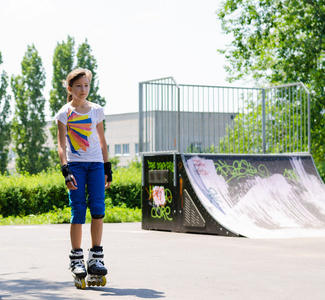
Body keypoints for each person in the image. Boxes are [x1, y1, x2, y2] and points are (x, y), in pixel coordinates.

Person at [55, 68, 112, 287]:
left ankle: (96, 258)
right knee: (78, 209)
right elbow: (61, 145)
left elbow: (102, 140)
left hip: (96, 164)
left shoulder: (96, 110)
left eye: (86, 85)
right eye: (79, 86)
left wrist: (107, 167)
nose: (83, 89)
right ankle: (76, 259)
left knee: (98, 208)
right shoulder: (64, 113)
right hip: (76, 166)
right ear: (70, 88)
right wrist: (65, 170)